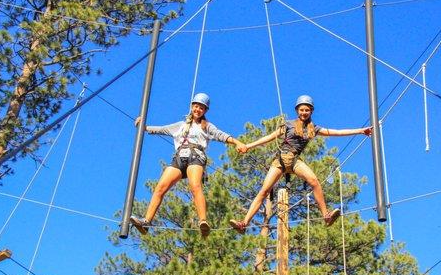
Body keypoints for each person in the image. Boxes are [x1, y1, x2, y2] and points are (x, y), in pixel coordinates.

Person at [230, 94, 372, 233]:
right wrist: (248, 146)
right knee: (264, 191)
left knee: (314, 181)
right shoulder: (288, 124)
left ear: (311, 111)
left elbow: (336, 132)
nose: (304, 112)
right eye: (302, 110)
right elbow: (269, 137)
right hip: (280, 160)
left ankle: (326, 215)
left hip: (294, 160)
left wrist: (360, 131)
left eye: (307, 110)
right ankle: (244, 223)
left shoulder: (313, 128)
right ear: (297, 110)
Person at [130, 92, 247, 237]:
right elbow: (160, 129)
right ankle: (146, 222)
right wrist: (144, 126)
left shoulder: (207, 126)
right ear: (192, 106)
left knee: (195, 186)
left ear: (205, 111)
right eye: (196, 106)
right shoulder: (180, 126)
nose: (198, 110)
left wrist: (237, 142)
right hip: (179, 157)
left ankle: (203, 221)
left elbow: (221, 135)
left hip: (196, 157)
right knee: (160, 188)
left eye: (201, 108)